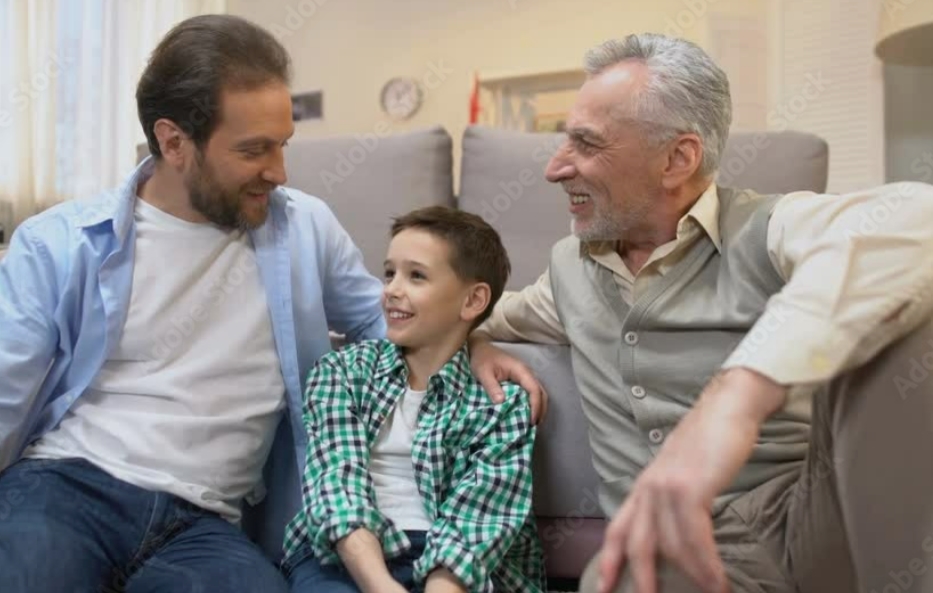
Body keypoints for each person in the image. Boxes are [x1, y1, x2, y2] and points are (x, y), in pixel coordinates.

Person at [0, 15, 542, 592]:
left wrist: (474, 340)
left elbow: (385, 320)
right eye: (254, 150)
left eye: (282, 145)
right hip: (68, 486)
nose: (279, 173)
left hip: (203, 524)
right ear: (174, 142)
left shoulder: (304, 227)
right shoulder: (58, 243)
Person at [473, 33, 933, 593]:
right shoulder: (569, 270)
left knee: (909, 318)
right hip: (674, 553)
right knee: (620, 582)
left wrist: (736, 400)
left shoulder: (770, 227)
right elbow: (471, 313)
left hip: (810, 520)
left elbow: (918, 222)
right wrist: (473, 343)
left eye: (586, 144)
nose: (555, 168)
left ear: (678, 159)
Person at [282, 206, 546, 593]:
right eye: (389, 273)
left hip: (453, 565)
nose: (391, 289)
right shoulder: (341, 372)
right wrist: (381, 586)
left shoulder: (502, 403)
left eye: (416, 276)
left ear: (473, 301)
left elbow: (476, 524)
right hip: (347, 551)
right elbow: (337, 488)